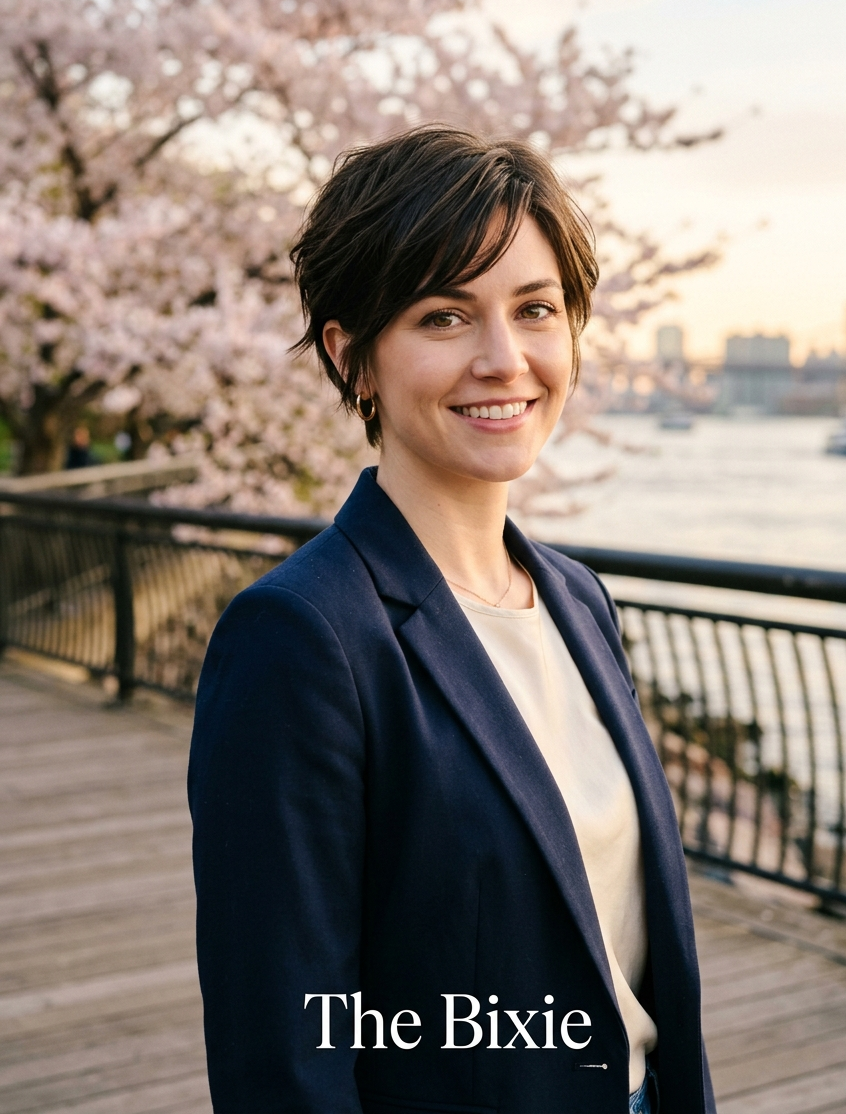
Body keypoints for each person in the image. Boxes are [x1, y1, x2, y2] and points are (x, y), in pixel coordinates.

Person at [189, 126, 715, 1114]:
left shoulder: (574, 600)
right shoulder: (302, 639)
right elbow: (282, 1060)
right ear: (352, 357)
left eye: (535, 310)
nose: (502, 359)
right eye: (443, 316)